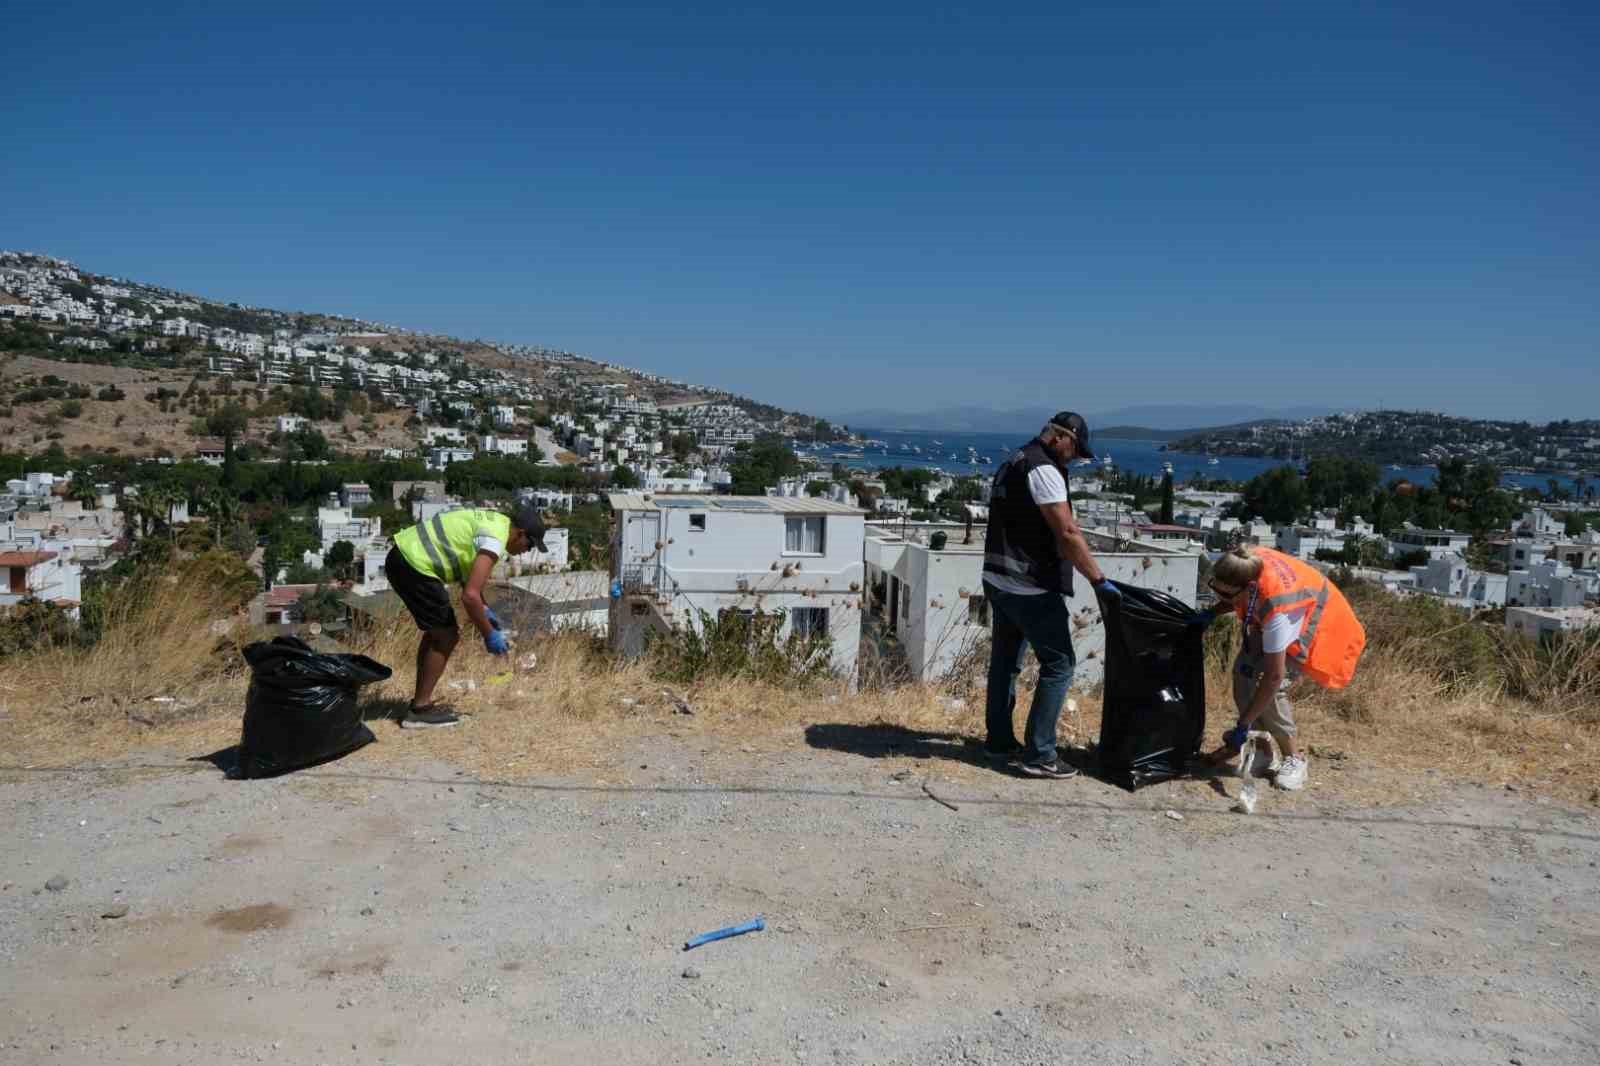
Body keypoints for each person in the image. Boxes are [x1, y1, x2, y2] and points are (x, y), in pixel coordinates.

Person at [982, 411, 1121, 778]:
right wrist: (1098, 580)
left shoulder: (1013, 460)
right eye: (1076, 449)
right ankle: (1040, 754)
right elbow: (1068, 533)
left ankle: (998, 741)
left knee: (1005, 663)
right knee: (1060, 665)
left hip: (997, 578)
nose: (1075, 457)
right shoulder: (1042, 469)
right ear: (1061, 436)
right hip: (1029, 585)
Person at [1192, 545, 1367, 790]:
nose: (1220, 598)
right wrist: (1210, 614)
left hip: (1316, 625)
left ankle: (1294, 758)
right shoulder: (1243, 562)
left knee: (1273, 690)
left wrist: (1242, 725)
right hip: (1273, 609)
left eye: (1226, 594)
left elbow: (1274, 678)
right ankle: (1263, 752)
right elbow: (1238, 599)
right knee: (1243, 672)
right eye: (1215, 588)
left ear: (1250, 589)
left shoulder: (1278, 613)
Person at [385, 505, 548, 729]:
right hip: (414, 565)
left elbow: (470, 585)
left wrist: (485, 610)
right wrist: (489, 635)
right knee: (446, 636)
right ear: (520, 533)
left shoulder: (495, 522)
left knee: (437, 633)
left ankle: (420, 704)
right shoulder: (495, 539)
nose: (528, 551)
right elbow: (469, 596)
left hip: (403, 558)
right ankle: (419, 710)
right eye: (530, 544)